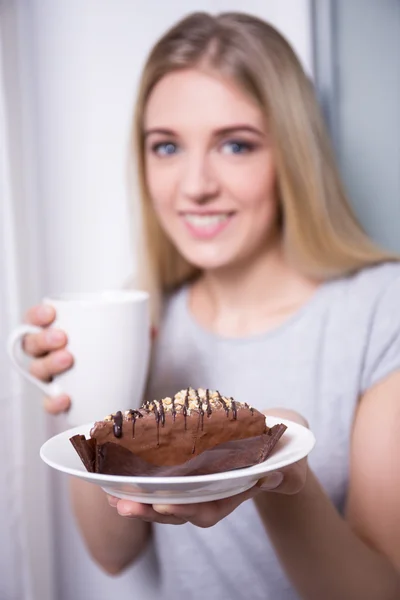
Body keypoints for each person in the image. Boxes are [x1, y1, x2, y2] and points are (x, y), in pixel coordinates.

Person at [22, 12, 400, 600]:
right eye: (167, 146)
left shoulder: (381, 311)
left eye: (235, 144)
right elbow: (112, 553)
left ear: (292, 156)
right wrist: (91, 386)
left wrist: (280, 474)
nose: (195, 184)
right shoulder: (144, 321)